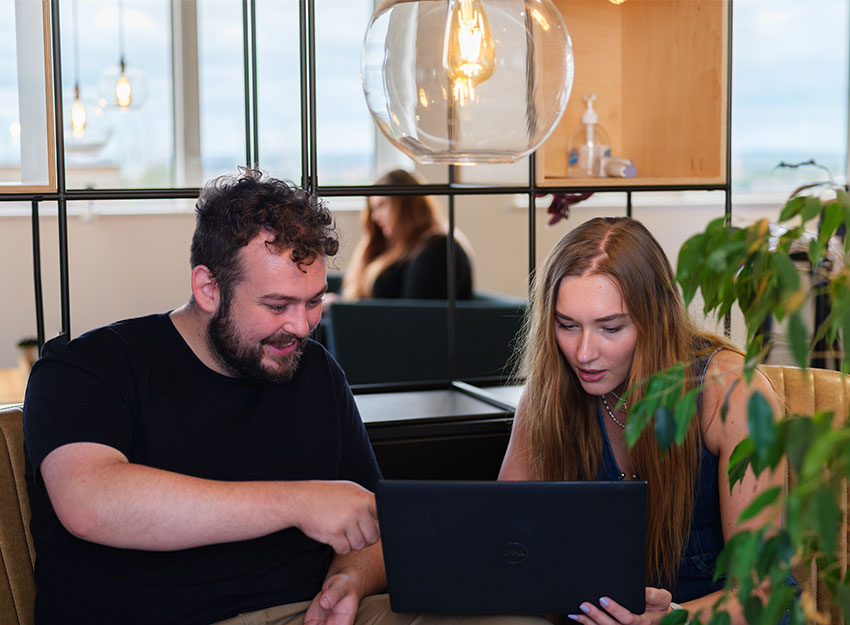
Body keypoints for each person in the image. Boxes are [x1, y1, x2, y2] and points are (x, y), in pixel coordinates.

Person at [23, 169, 548, 625]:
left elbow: (370, 529)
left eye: (313, 301)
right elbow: (90, 502)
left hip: (309, 610)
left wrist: (348, 583)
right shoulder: (88, 367)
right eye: (276, 305)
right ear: (208, 288)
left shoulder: (316, 373)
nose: (300, 326)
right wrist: (298, 501)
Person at [499, 217, 789, 625]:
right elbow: (505, 543)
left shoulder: (732, 395)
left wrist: (669, 619)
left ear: (656, 317)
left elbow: (761, 592)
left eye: (611, 327)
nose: (584, 353)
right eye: (567, 326)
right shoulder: (547, 396)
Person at [342, 169, 473, 300]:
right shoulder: (399, 246)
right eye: (373, 209)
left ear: (405, 206)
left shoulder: (438, 250)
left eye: (381, 205)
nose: (375, 216)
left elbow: (415, 315)